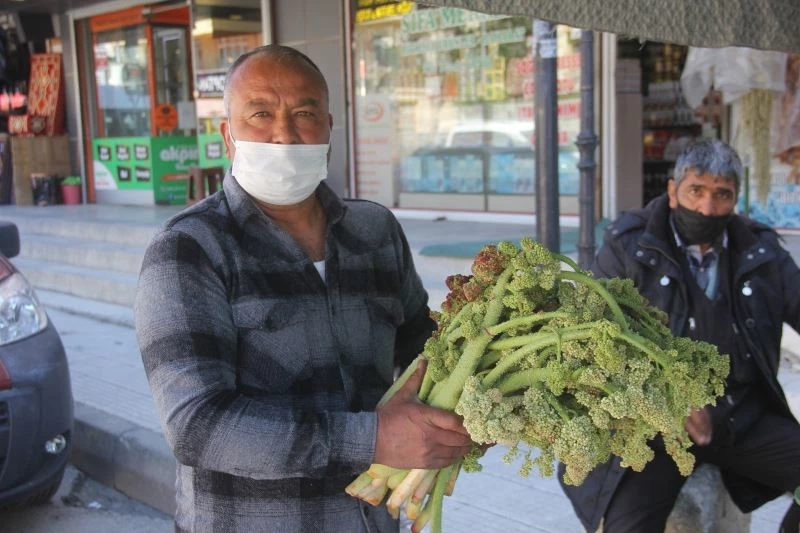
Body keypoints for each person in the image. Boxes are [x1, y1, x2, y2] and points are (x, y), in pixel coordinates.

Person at [134, 45, 473, 533]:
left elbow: (423, 348)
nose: (284, 134)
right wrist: (372, 439)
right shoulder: (188, 248)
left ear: (330, 128)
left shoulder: (375, 231)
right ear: (228, 134)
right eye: (260, 113)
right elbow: (197, 426)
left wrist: (478, 385)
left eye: (304, 113)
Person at [559, 139, 800, 532]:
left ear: (736, 199)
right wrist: (666, 398)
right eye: (697, 191)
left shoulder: (761, 252)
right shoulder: (629, 247)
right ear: (673, 192)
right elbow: (590, 337)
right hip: (653, 425)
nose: (707, 208)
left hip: (742, 416)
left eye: (722, 195)